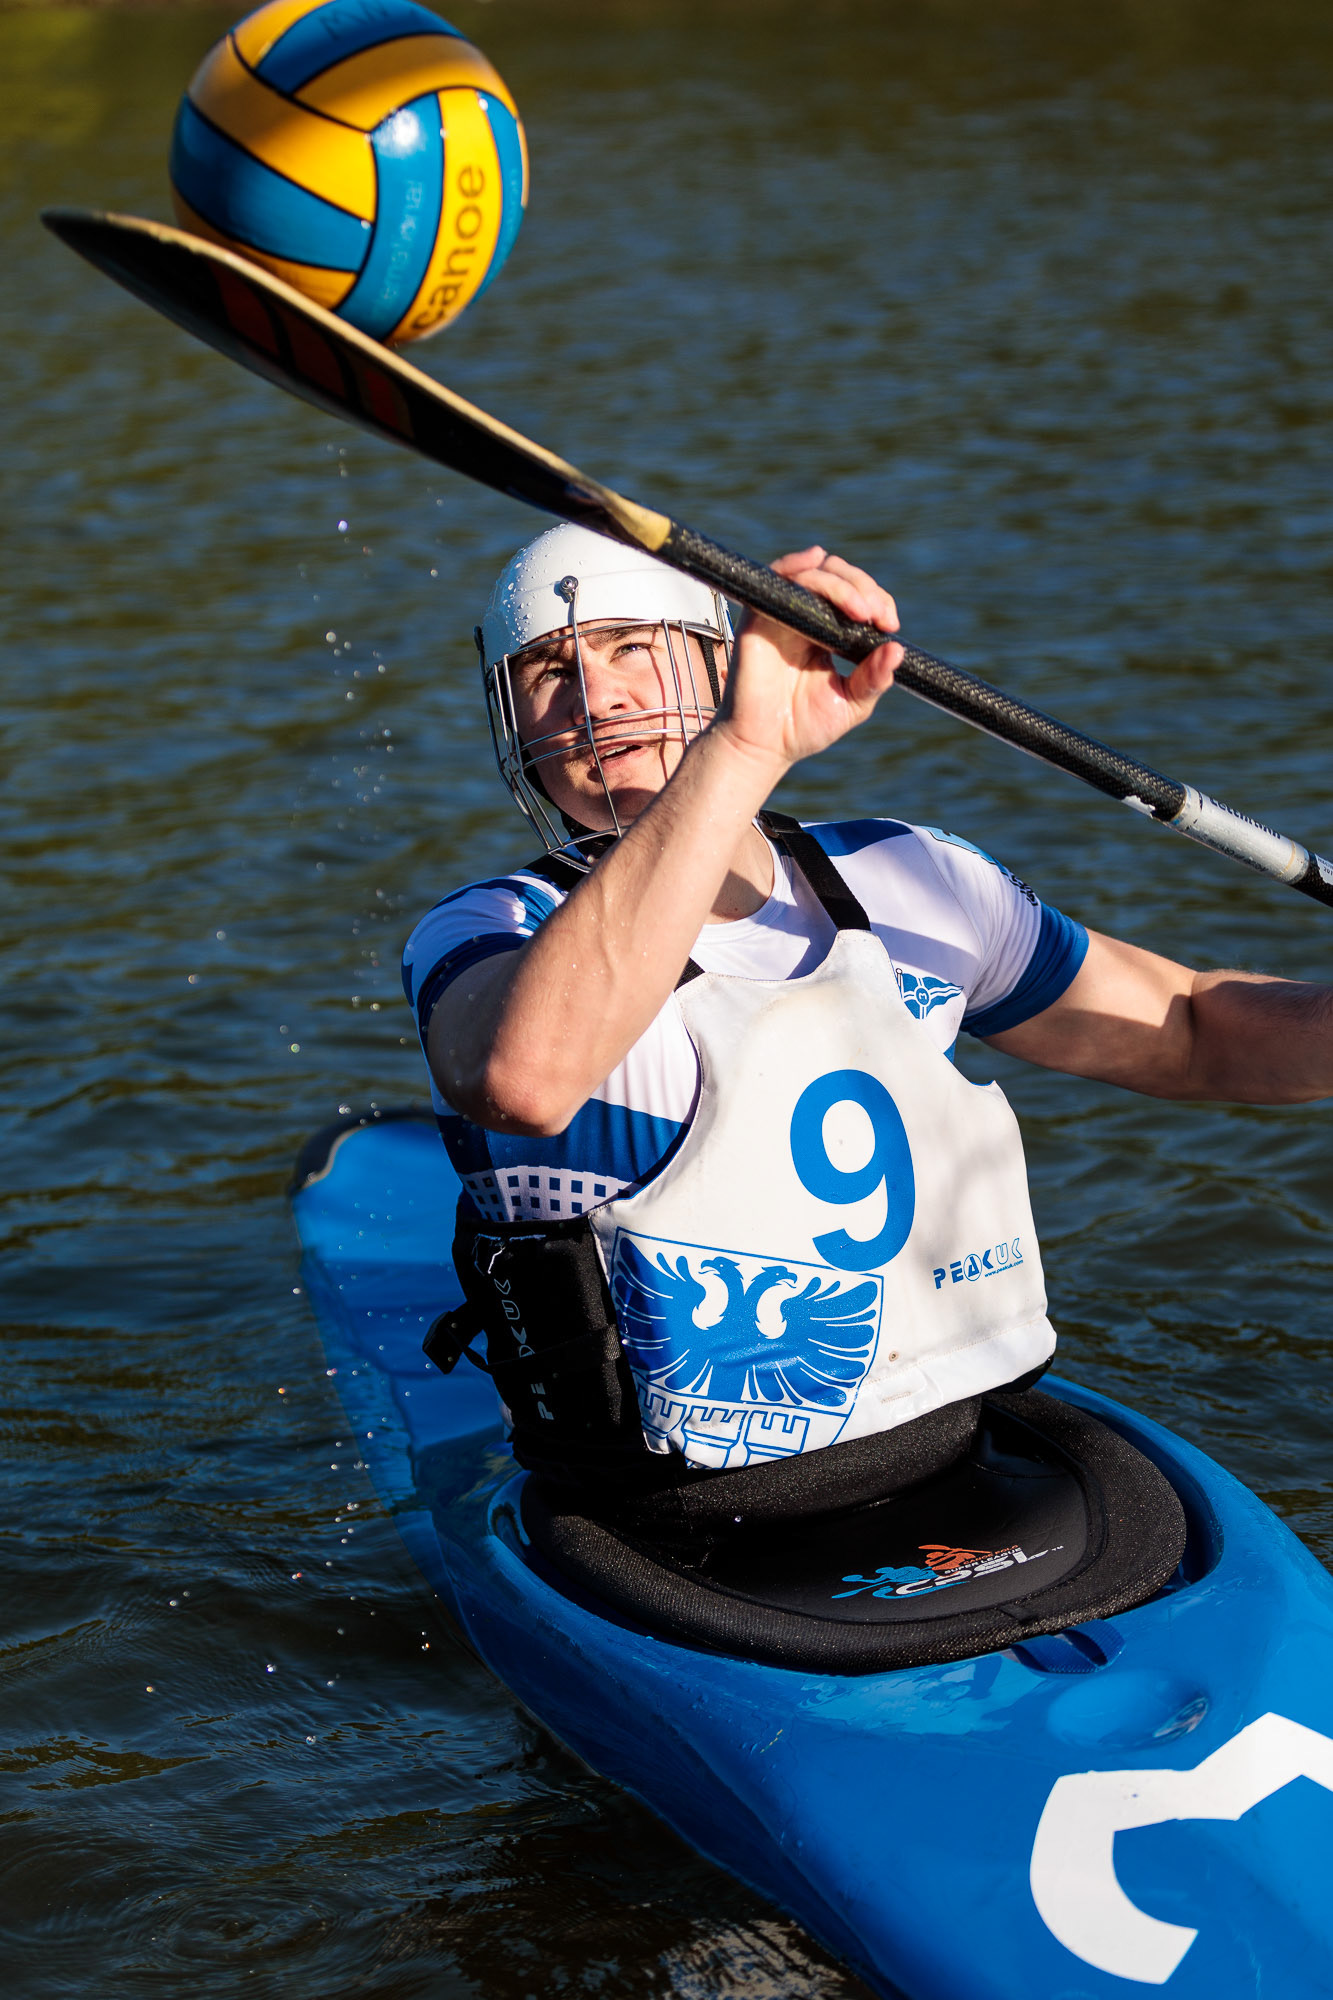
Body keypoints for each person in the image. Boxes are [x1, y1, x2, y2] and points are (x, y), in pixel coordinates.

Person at [403, 522, 1333, 1530]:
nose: (596, 698)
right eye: (549, 670)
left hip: (960, 1444)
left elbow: (1188, 1029)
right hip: (669, 1520)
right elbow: (525, 1079)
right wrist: (743, 750)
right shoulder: (491, 930)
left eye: (631, 646)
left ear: (721, 666)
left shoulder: (911, 876)